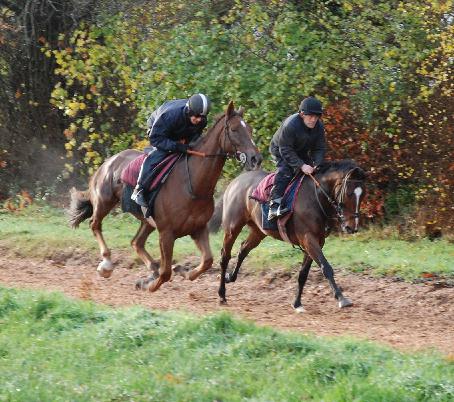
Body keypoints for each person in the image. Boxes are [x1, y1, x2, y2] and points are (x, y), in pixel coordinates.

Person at [131, 93, 212, 207]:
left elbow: (195, 136)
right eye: (197, 116)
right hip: (158, 128)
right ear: (189, 111)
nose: (199, 120)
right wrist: (176, 146)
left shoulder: (202, 120)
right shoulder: (171, 116)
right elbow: (156, 139)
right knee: (159, 154)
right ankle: (139, 189)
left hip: (177, 131)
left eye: (202, 117)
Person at [267, 96, 326, 220]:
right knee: (286, 171)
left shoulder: (319, 127)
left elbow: (319, 148)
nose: (314, 120)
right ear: (302, 114)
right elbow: (286, 150)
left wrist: (317, 164)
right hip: (280, 149)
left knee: (317, 172)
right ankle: (274, 205)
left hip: (300, 151)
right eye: (310, 116)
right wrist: (302, 165)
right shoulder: (290, 125)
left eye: (316, 117)